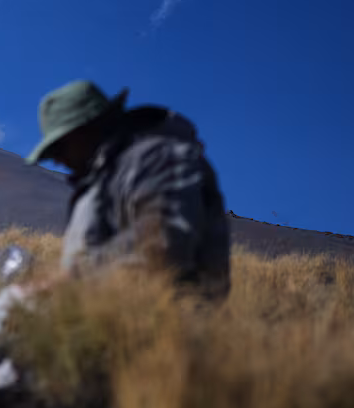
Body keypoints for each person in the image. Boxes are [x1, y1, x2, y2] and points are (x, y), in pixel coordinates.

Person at [25, 80, 231, 299]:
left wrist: (63, 282)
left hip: (166, 326)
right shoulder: (97, 186)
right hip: (105, 323)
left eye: (59, 146)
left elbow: (162, 244)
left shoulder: (157, 159)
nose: (56, 160)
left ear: (89, 127)